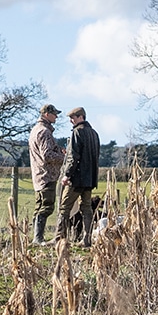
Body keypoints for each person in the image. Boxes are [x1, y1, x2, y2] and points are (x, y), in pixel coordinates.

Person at [56, 107, 100, 245]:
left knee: (64, 208)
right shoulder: (94, 133)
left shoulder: (77, 132)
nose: (71, 120)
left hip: (76, 179)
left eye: (73, 117)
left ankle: (59, 239)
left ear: (81, 117)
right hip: (90, 178)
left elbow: (73, 157)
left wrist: (67, 175)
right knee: (86, 208)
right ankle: (86, 240)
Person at [28, 104, 66, 245]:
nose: (56, 116)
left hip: (39, 175)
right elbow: (47, 155)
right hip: (46, 175)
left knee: (39, 206)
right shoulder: (44, 132)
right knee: (46, 206)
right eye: (54, 114)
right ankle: (38, 239)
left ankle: (36, 237)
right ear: (46, 114)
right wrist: (65, 159)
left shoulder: (35, 130)